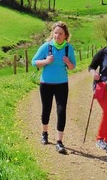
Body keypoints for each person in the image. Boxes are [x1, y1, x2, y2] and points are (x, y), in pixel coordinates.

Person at [31, 21, 76, 154]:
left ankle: (59, 141)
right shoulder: (46, 46)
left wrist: (68, 62)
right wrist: (46, 61)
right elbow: (34, 62)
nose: (57, 36)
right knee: (46, 109)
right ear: (52, 33)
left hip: (62, 84)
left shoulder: (68, 48)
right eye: (55, 33)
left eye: (60, 33)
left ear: (65, 35)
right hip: (46, 84)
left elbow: (73, 66)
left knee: (61, 111)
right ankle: (44, 133)